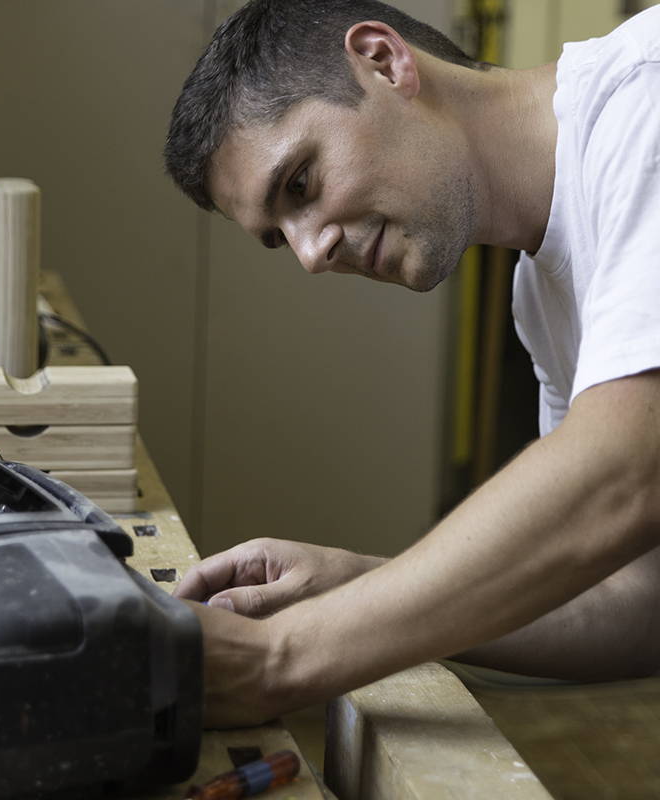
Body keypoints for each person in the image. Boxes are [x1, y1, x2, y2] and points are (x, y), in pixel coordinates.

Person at [163, 0, 660, 729]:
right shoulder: (544, 297)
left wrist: (282, 658)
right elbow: (638, 599)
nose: (309, 254)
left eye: (299, 184)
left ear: (385, 62)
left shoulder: (643, 102)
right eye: (280, 238)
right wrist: (357, 585)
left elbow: (627, 476)